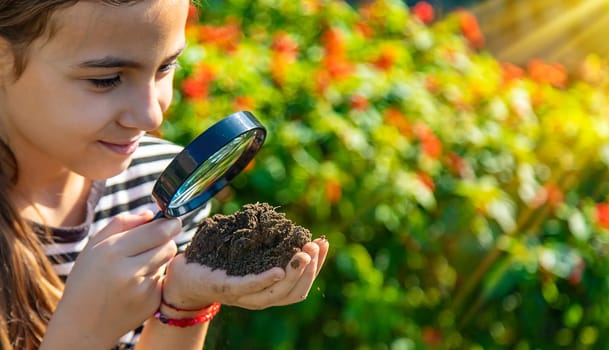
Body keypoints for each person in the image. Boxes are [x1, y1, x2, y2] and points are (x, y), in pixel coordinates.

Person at [0, 0, 330, 349]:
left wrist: (184, 301)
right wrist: (82, 337)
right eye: (106, 80)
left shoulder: (158, 182)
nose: (151, 117)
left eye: (166, 66)